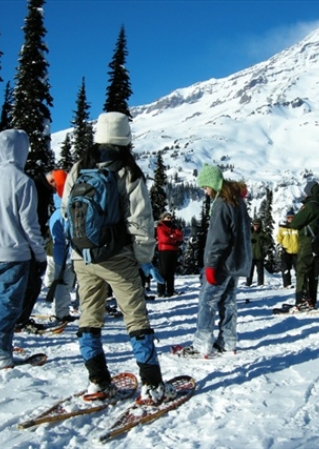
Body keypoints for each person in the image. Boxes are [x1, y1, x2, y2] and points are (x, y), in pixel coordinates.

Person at [61, 111, 175, 405]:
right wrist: (143, 259)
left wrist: (78, 249)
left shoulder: (78, 168)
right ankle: (151, 385)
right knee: (136, 318)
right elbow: (140, 222)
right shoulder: (128, 171)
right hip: (117, 257)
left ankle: (97, 382)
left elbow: (65, 212)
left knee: (89, 318)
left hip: (82, 256)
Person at [0, 129, 47, 369]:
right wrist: (39, 253)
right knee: (8, 306)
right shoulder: (22, 181)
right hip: (15, 253)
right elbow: (29, 224)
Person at [176, 164, 251, 358]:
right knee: (228, 302)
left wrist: (211, 265)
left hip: (222, 264)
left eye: (205, 186)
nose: (205, 191)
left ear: (213, 183)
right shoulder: (237, 200)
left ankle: (202, 344)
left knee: (206, 302)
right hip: (236, 262)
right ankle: (227, 341)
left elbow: (219, 239)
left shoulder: (221, 203)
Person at [15, 169, 58, 333]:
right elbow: (31, 222)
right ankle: (20, 320)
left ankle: (20, 318)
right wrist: (38, 249)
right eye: (56, 188)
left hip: (26, 244)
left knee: (29, 284)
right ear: (52, 182)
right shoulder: (36, 189)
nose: (56, 192)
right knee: (30, 284)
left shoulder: (38, 188)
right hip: (28, 245)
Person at [46, 169, 76, 322]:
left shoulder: (56, 213)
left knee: (62, 284)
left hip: (62, 254)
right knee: (64, 284)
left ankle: (59, 311)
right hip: (67, 255)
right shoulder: (65, 213)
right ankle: (60, 313)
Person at [289, 181, 319, 310]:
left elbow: (295, 223)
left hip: (308, 242)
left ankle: (301, 300)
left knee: (302, 270)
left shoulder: (310, 207)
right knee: (314, 272)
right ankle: (311, 300)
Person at [155, 211, 183, 297]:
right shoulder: (160, 227)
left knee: (171, 271)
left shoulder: (173, 227)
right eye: (167, 217)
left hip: (173, 251)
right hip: (164, 251)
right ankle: (161, 291)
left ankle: (170, 290)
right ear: (163, 218)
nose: (169, 219)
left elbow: (180, 235)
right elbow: (163, 239)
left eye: (170, 217)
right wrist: (175, 239)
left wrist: (172, 237)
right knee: (163, 271)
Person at [246, 218, 272, 287]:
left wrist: (266, 237)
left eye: (258, 225)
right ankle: (248, 284)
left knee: (260, 272)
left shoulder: (262, 234)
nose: (256, 226)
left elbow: (269, 242)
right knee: (249, 272)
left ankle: (260, 284)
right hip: (250, 256)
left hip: (259, 255)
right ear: (253, 225)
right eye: (255, 224)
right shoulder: (249, 233)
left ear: (260, 225)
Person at [276, 209, 299, 288]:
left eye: (292, 217)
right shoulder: (282, 228)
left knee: (299, 269)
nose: (290, 219)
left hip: (296, 251)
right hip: (286, 251)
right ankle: (287, 284)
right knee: (286, 269)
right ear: (287, 218)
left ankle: (300, 283)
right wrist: (280, 246)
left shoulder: (297, 227)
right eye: (289, 217)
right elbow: (279, 238)